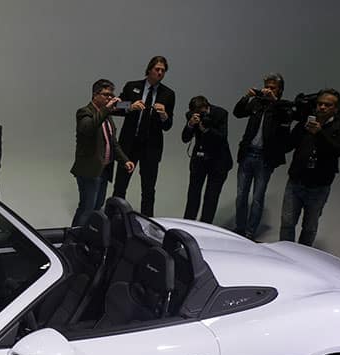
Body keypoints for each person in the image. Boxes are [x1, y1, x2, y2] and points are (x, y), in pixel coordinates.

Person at [279, 89, 340, 246]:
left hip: (319, 186)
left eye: (328, 105)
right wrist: (287, 124)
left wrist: (319, 133)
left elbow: (336, 151)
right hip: (296, 182)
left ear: (336, 108)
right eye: (320, 104)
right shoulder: (305, 124)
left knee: (309, 227)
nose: (322, 107)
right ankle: (283, 255)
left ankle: (304, 259)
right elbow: (286, 146)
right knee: (287, 222)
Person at [111, 55, 175, 216]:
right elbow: (115, 107)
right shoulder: (132, 86)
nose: (160, 73)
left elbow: (168, 125)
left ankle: (148, 222)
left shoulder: (168, 94)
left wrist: (164, 115)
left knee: (148, 188)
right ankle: (115, 217)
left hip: (151, 147)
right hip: (129, 143)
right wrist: (130, 107)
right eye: (157, 69)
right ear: (149, 70)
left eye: (163, 70)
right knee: (120, 184)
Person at [232, 74, 292, 238]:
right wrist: (247, 97)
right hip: (248, 153)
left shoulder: (283, 107)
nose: (268, 90)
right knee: (241, 195)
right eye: (267, 86)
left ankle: (250, 233)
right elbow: (237, 113)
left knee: (258, 197)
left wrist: (274, 101)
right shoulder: (257, 102)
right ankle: (239, 229)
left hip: (265, 158)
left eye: (272, 87)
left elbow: (288, 119)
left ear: (279, 89)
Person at [70, 79, 134, 227]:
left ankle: (89, 238)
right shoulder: (84, 112)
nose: (110, 98)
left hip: (104, 169)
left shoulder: (107, 116)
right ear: (95, 95)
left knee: (98, 208)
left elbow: (113, 143)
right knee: (86, 208)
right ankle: (74, 238)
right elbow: (88, 128)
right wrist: (107, 110)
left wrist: (125, 160)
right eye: (106, 95)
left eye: (111, 95)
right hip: (89, 169)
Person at [181, 96, 233, 224]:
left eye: (202, 111)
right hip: (199, 159)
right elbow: (185, 138)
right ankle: (188, 224)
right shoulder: (191, 115)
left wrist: (206, 130)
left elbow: (222, 137)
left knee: (211, 196)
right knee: (193, 193)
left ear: (207, 107)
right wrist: (190, 124)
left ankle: (205, 225)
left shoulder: (221, 114)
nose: (200, 114)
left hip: (219, 160)